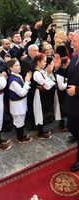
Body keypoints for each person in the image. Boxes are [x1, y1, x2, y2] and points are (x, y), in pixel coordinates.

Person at [53, 30, 79, 172]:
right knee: (72, 128)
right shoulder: (75, 57)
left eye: (74, 41)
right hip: (72, 104)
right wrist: (58, 69)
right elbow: (70, 75)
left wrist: (77, 90)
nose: (71, 43)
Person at [32, 53, 58, 139]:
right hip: (39, 95)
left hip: (44, 94)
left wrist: (49, 73)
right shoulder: (36, 73)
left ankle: (42, 130)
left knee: (43, 112)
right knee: (39, 112)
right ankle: (40, 133)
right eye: (44, 61)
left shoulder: (42, 71)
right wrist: (48, 73)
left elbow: (52, 81)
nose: (45, 63)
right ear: (38, 62)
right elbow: (45, 83)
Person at [7, 58, 32, 143]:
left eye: (19, 65)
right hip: (17, 105)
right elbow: (21, 93)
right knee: (18, 121)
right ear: (10, 68)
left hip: (21, 103)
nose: (19, 67)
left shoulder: (18, 75)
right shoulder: (13, 80)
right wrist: (27, 82)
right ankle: (20, 138)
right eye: (16, 65)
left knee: (21, 120)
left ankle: (21, 136)